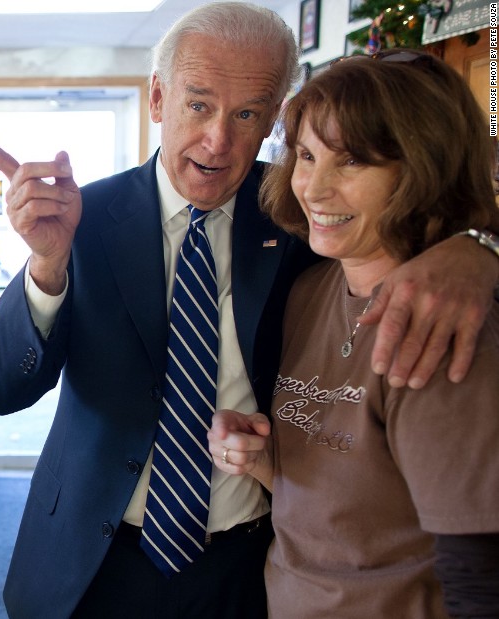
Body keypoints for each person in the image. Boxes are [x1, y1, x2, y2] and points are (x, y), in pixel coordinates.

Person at [0, 3, 499, 618]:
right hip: (92, 563)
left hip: (250, 566)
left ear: (275, 116)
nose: (218, 140)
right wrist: (46, 266)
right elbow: (0, 389)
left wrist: (476, 247)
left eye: (248, 113)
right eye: (198, 105)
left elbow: (416, 212)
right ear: (159, 98)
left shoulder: (305, 217)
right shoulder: (81, 220)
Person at [208, 51, 499, 617]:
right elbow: (349, 498)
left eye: (351, 164)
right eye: (307, 156)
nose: (313, 188)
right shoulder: (310, 289)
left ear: (422, 170)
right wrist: (258, 456)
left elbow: (481, 578)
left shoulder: (439, 325)